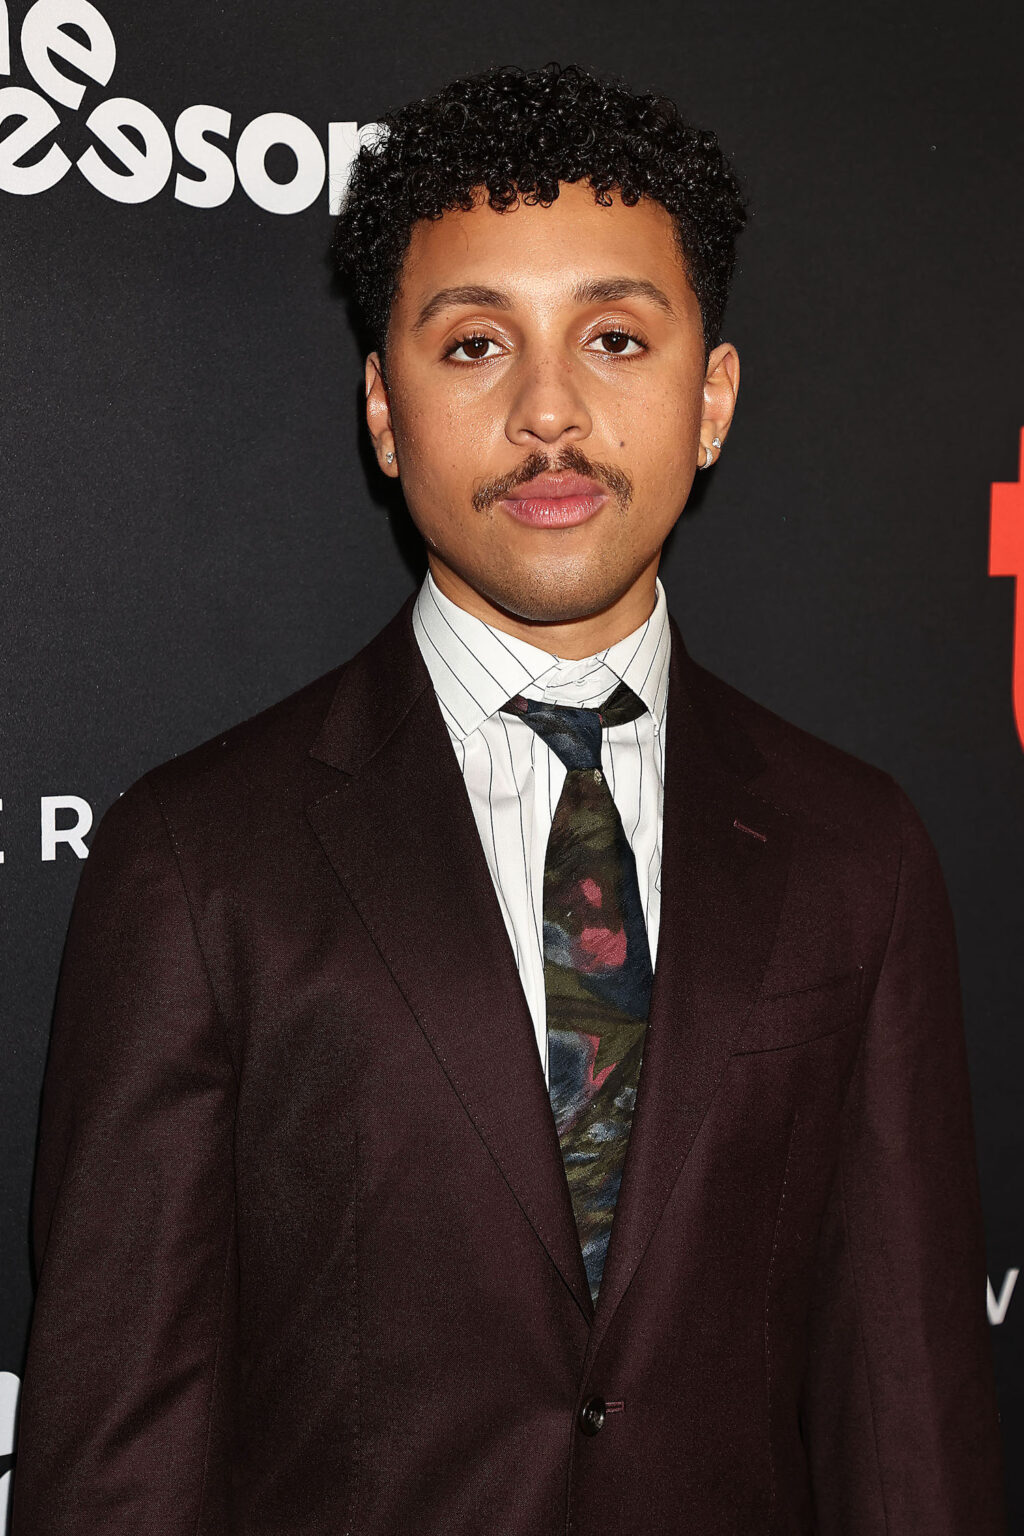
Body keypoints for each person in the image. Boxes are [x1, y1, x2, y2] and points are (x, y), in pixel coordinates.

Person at [13, 62, 1006, 1535]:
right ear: (385, 409)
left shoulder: (856, 850)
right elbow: (117, 1461)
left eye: (614, 337)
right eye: (475, 346)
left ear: (714, 398)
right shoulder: (196, 863)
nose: (552, 412)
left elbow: (911, 1427)